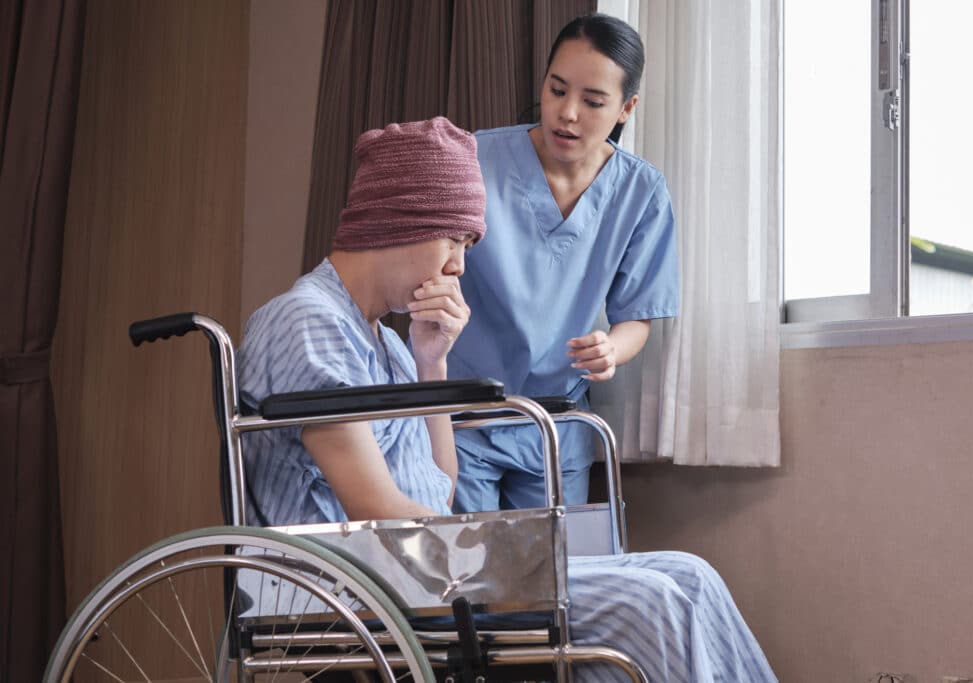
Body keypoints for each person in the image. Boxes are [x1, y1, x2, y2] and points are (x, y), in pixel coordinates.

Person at [236, 117, 776, 682]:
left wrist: (431, 362)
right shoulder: (309, 322)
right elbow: (380, 514)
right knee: (649, 601)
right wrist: (509, 550)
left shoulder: (386, 342)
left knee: (689, 574)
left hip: (415, 570)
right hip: (355, 585)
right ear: (398, 222)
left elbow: (438, 487)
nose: (459, 267)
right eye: (454, 240)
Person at [448, 13, 678, 512]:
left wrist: (611, 350)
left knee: (561, 581)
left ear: (626, 108)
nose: (567, 113)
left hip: (557, 420)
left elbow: (637, 318)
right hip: (461, 415)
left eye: (593, 101)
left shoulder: (641, 192)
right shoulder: (473, 160)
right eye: (556, 90)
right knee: (467, 581)